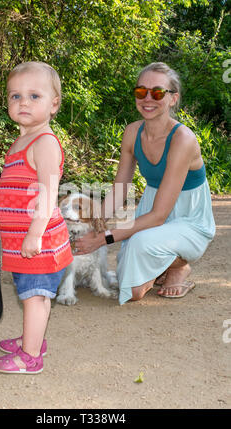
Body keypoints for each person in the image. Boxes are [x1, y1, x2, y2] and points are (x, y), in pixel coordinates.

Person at [74, 62, 215, 304]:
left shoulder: (183, 139)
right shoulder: (132, 132)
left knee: (140, 242)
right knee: (132, 288)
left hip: (189, 218)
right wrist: (95, 223)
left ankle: (178, 267)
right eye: (141, 91)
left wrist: (103, 238)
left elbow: (159, 216)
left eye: (158, 92)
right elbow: (120, 188)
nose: (148, 98)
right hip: (153, 208)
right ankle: (158, 266)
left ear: (172, 99)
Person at [0, 61, 73, 374]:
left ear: (54, 104)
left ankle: (30, 356)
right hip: (18, 241)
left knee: (35, 295)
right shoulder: (20, 142)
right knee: (27, 291)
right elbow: (20, 184)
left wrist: (35, 233)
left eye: (34, 96)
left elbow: (48, 191)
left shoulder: (45, 142)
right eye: (15, 96)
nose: (23, 102)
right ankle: (31, 338)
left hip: (40, 240)